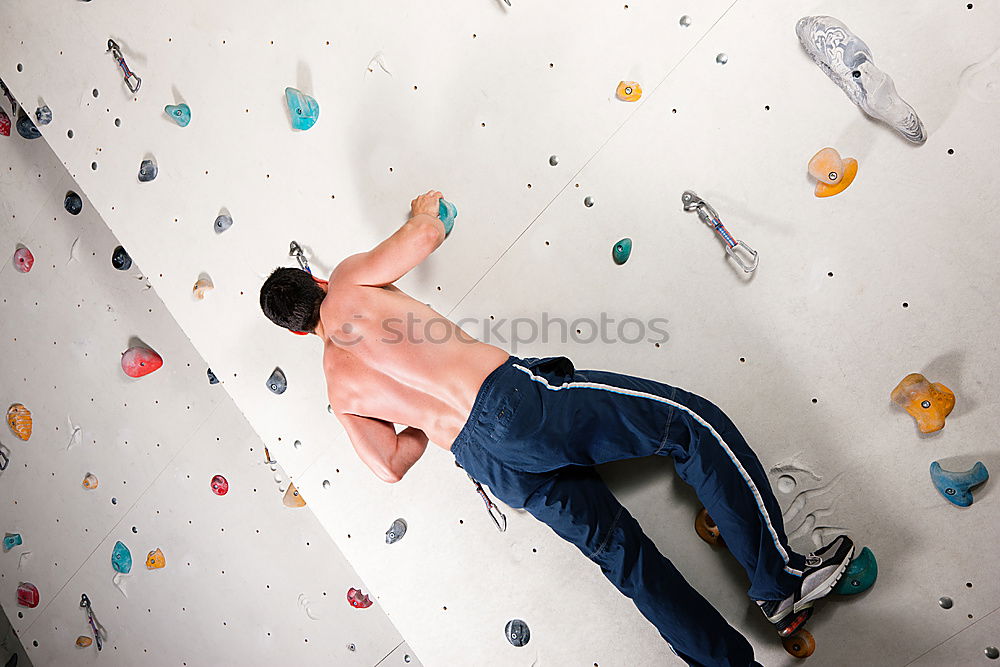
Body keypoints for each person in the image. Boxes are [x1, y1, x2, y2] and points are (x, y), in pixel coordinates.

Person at [259, 190, 855, 666]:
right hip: (510, 404)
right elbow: (427, 232)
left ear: (293, 333)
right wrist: (422, 205)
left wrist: (415, 418)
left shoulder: (339, 392)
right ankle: (780, 582)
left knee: (623, 556)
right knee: (689, 426)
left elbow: (389, 464)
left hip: (485, 462)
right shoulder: (346, 282)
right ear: (314, 285)